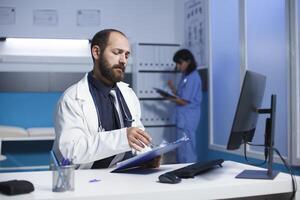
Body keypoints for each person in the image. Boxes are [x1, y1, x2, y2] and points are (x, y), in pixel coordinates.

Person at [52, 29, 159, 169]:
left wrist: (146, 156)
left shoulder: (128, 95)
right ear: (96, 52)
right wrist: (122, 137)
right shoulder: (72, 99)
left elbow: (137, 137)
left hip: (122, 176)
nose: (123, 60)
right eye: (117, 53)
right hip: (84, 180)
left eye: (126, 55)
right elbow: (71, 151)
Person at [166, 49, 202, 163]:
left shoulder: (193, 77)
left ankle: (189, 173)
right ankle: (182, 172)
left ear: (188, 61)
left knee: (187, 149)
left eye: (180, 63)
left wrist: (169, 97)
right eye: (177, 63)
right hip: (183, 119)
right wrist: (172, 89)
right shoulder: (186, 76)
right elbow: (182, 96)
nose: (178, 66)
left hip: (188, 119)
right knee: (181, 149)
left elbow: (184, 101)